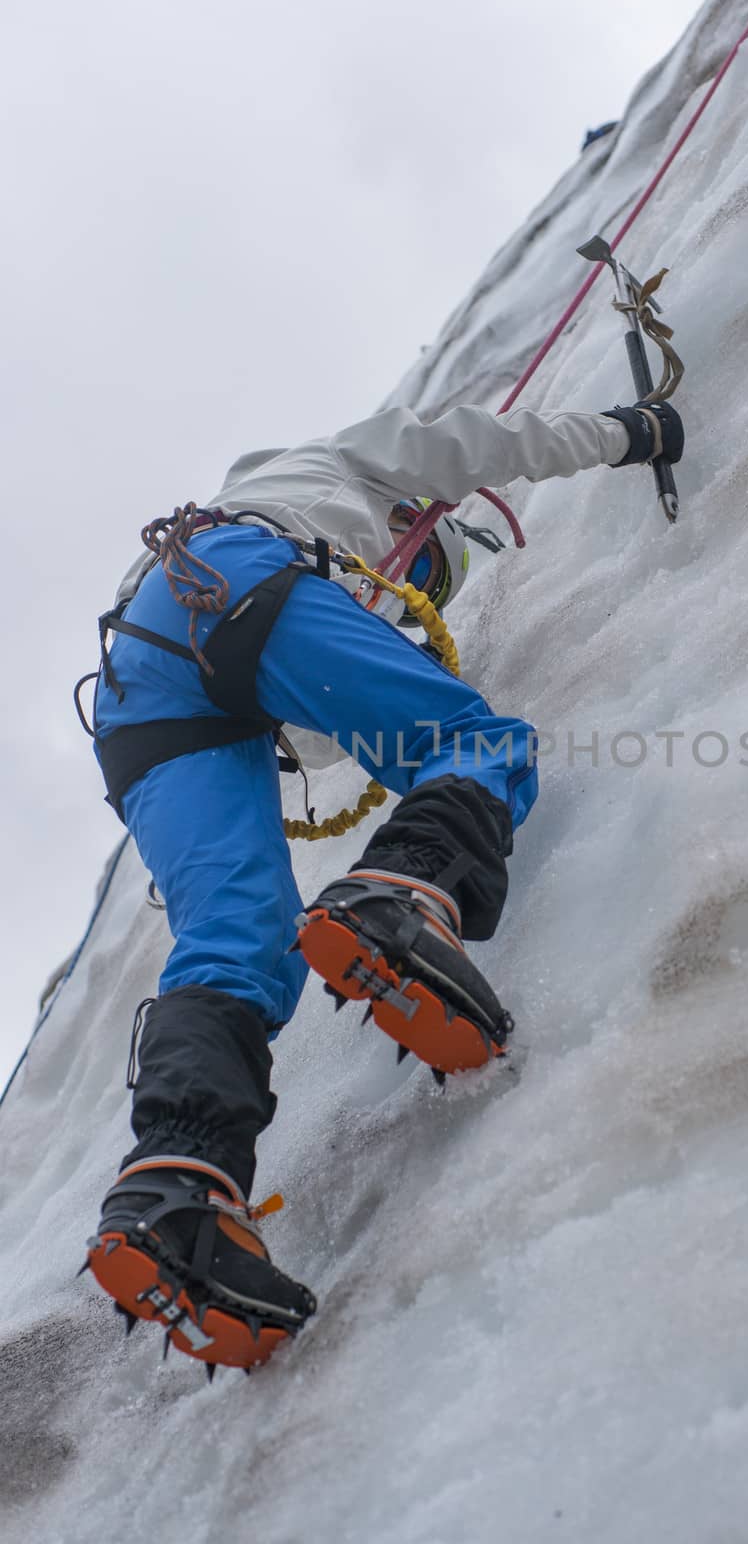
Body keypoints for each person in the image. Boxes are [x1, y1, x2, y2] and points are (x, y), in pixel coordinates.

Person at [83, 396, 684, 1373]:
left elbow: (309, 721)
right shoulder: (343, 465)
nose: (401, 589)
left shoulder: (214, 534)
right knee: (474, 743)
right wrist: (633, 430)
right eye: (417, 571)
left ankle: (176, 1187)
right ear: (412, 525)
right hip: (236, 582)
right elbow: (488, 440)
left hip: (135, 695)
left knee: (236, 942)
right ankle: (405, 895)